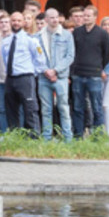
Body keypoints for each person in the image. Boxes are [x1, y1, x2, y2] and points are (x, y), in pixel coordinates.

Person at [70, 5, 109, 138]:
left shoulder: (102, 33)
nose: (85, 18)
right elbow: (72, 53)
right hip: (78, 75)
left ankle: (98, 136)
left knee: (97, 107)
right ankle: (78, 134)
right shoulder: (76, 32)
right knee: (77, 107)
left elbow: (107, 55)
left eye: (88, 15)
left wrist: (98, 67)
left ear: (95, 17)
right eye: (84, 15)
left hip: (94, 75)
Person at [1, 11, 45, 134]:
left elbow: (40, 58)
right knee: (11, 109)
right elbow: (5, 58)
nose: (16, 23)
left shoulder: (30, 40)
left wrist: (32, 73)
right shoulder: (6, 41)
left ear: (23, 22)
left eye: (18, 20)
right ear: (10, 22)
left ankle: (34, 136)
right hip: (10, 78)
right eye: (13, 20)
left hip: (25, 78)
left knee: (30, 108)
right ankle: (15, 136)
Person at [36, 8, 74, 142]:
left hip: (61, 78)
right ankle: (47, 138)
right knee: (46, 109)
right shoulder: (38, 36)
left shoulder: (66, 35)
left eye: (56, 17)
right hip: (43, 78)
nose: (55, 20)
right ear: (46, 19)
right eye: (51, 17)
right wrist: (46, 70)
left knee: (63, 108)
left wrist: (55, 70)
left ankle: (68, 138)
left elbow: (70, 56)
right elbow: (36, 57)